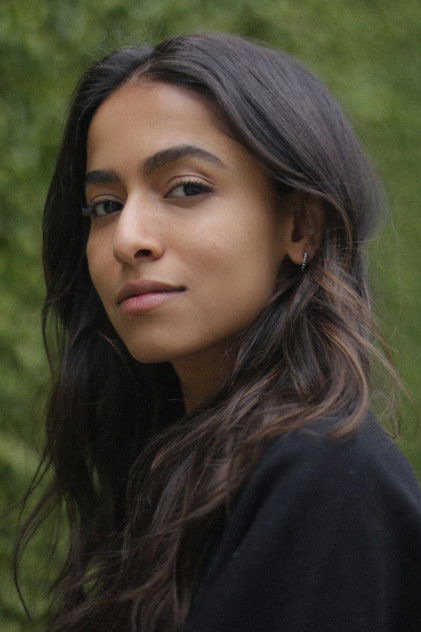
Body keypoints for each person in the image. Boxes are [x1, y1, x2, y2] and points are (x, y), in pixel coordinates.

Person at [15, 32, 421, 631]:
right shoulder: (178, 470)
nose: (127, 238)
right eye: (104, 205)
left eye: (186, 188)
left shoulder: (326, 478)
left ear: (302, 227)